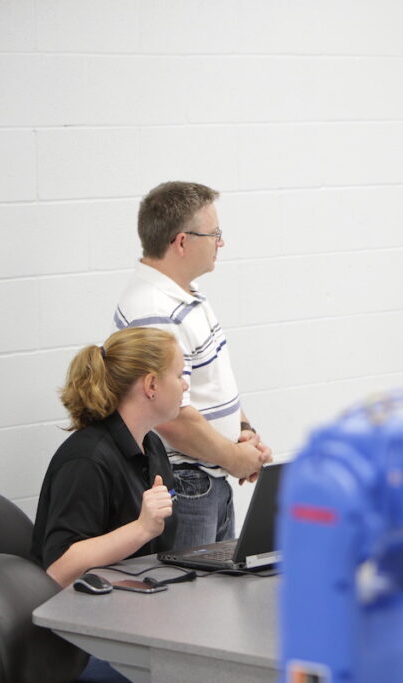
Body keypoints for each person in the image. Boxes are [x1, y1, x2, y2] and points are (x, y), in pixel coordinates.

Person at [113, 181, 271, 548]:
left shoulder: (184, 295)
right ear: (182, 242)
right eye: (214, 233)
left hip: (206, 479)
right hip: (187, 484)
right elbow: (170, 416)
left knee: (214, 599)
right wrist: (235, 458)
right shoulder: (155, 311)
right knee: (193, 603)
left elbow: (209, 383)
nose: (221, 242)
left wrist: (243, 432)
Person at [32, 327, 185, 588]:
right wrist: (141, 528)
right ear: (151, 385)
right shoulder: (86, 460)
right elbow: (58, 569)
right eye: (179, 375)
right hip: (84, 616)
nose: (185, 384)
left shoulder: (152, 445)